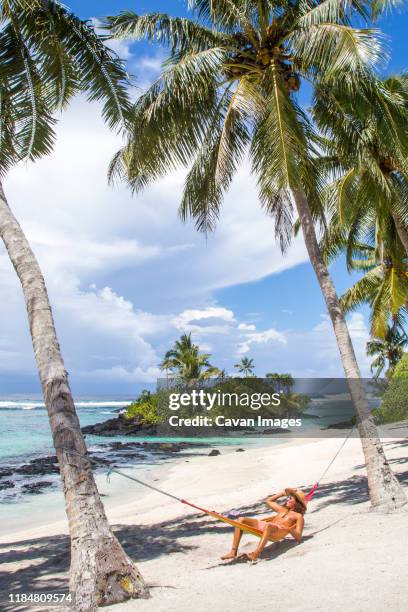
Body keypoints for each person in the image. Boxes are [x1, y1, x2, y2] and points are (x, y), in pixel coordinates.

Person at [221, 488, 306, 562]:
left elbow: (298, 536)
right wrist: (282, 493)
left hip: (278, 531)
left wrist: (289, 529)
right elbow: (268, 501)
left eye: (290, 498)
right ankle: (233, 551)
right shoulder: (281, 509)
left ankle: (256, 554)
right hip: (267, 526)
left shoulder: (299, 517)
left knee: (268, 525)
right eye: (287, 498)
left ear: (296, 502)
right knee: (241, 520)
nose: (287, 499)